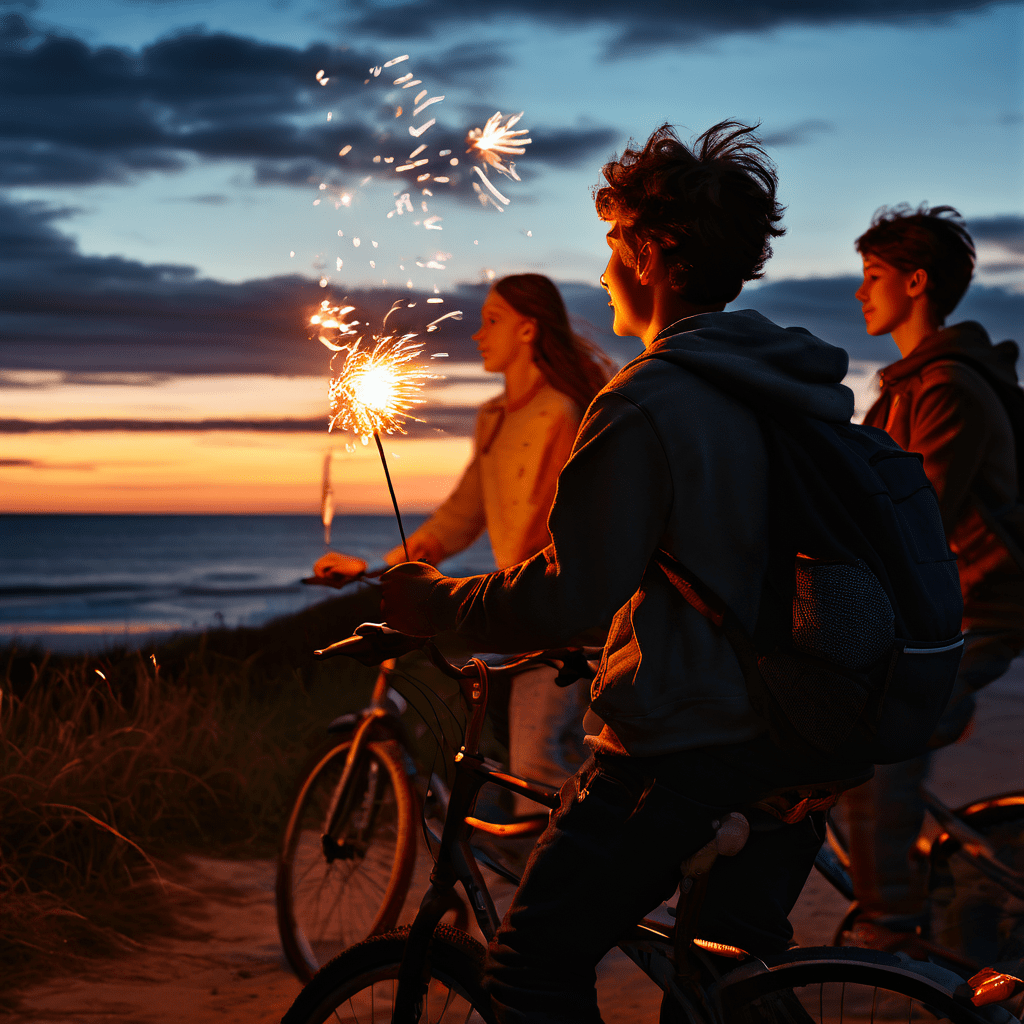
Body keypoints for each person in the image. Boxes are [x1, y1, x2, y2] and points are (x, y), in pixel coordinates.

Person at [380, 122, 874, 1024]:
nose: (603, 269)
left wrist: (435, 606)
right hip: (802, 731)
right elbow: (725, 555)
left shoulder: (647, 400)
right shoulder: (789, 389)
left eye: (613, 244)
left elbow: (572, 588)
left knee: (529, 966)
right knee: (723, 981)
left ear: (649, 254)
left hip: (688, 745)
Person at [318, 274, 613, 812]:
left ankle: (565, 887)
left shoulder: (567, 412)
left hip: (562, 616)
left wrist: (467, 598)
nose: (478, 335)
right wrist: (387, 567)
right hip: (520, 611)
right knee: (501, 760)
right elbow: (462, 514)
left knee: (538, 767)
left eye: (492, 321)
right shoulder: (494, 418)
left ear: (528, 330)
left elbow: (551, 533)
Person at [843, 205, 1024, 941]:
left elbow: (920, 521)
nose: (860, 294)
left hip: (977, 609)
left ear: (915, 283)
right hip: (935, 605)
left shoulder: (948, 388)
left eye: (873, 276)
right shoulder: (902, 390)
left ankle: (892, 918)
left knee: (880, 745)